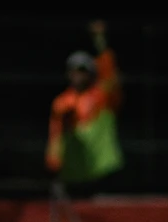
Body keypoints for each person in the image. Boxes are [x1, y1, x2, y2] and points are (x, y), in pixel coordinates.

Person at [45, 20, 124, 195]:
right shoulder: (62, 102)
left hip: (102, 171)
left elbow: (110, 74)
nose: (78, 75)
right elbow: (55, 134)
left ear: (91, 73)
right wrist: (53, 162)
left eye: (82, 70)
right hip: (74, 175)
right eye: (74, 70)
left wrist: (100, 40)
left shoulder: (101, 96)